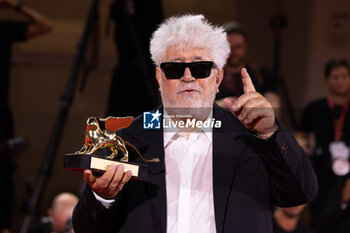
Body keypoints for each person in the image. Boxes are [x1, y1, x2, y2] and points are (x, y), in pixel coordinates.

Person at [73, 14, 317, 233]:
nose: (187, 77)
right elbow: (87, 228)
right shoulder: (126, 142)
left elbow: (300, 192)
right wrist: (102, 197)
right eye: (174, 68)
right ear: (159, 77)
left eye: (200, 67)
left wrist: (270, 133)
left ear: (218, 77)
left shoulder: (252, 137)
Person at [0, 1, 53, 232]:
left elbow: (45, 25)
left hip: (0, 112)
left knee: (4, 171)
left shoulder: (3, 29)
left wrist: (16, 6)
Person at [300, 59, 350, 223]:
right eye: (335, 77)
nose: (340, 81)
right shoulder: (315, 107)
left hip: (348, 172)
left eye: (344, 76)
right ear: (327, 80)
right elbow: (301, 134)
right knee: (321, 220)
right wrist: (305, 148)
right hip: (322, 171)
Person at [215, 22, 280, 114]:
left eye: (238, 47)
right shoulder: (210, 74)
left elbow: (275, 108)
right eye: (229, 47)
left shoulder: (262, 74)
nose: (233, 51)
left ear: (246, 47)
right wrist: (219, 105)